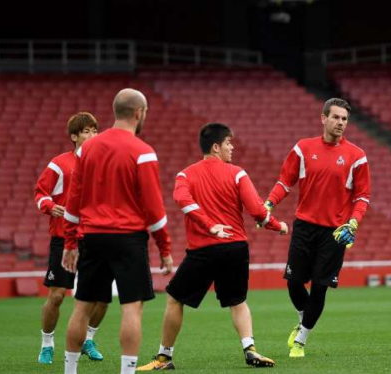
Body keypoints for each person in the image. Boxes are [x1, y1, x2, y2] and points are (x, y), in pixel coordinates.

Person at [137, 123, 287, 371]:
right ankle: (250, 350)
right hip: (236, 248)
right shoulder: (237, 173)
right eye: (229, 143)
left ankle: (164, 358)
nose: (232, 147)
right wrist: (277, 225)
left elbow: (182, 200)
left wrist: (208, 226)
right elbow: (258, 212)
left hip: (204, 249)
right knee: (237, 301)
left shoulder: (185, 175)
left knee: (175, 299)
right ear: (216, 147)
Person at [61, 89, 174, 374]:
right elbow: (154, 209)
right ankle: (127, 372)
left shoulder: (86, 149)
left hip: (92, 237)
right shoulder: (143, 151)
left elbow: (74, 200)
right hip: (128, 239)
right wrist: (165, 249)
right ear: (139, 113)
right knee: (131, 308)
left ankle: (70, 371)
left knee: (81, 307)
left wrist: (70, 242)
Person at [262, 98, 371, 358]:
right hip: (304, 227)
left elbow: (362, 196)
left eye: (344, 119)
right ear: (323, 118)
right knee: (293, 283)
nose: (340, 123)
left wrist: (354, 221)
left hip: (335, 232)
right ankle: (304, 319)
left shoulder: (357, 156)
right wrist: (268, 203)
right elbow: (285, 182)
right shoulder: (302, 149)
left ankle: (300, 340)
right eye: (335, 117)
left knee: (320, 287)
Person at [33, 112, 107, 364]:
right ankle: (47, 344)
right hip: (63, 238)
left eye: (95, 131)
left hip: (95, 238)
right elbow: (40, 193)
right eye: (86, 131)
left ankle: (88, 339)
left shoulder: (103, 164)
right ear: (74, 136)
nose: (92, 135)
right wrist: (49, 205)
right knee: (56, 296)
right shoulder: (59, 164)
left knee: (101, 298)